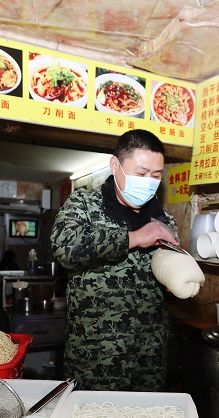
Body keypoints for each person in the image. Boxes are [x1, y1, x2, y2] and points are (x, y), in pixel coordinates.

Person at [50, 129, 179, 391]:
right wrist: (134, 237)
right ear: (115, 165)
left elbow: (167, 269)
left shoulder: (164, 220)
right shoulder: (84, 205)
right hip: (97, 354)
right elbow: (64, 248)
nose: (149, 182)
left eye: (156, 176)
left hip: (149, 355)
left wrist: (174, 277)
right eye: (141, 174)